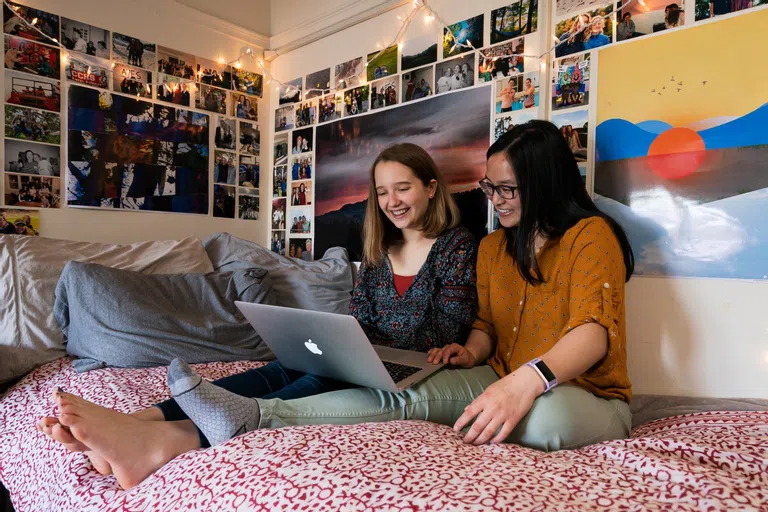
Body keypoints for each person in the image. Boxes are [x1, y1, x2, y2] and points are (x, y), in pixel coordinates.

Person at [41, 143, 480, 489]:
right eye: (382, 191)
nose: (391, 201)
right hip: (369, 353)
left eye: (402, 188)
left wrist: (365, 343)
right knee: (281, 368)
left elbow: (445, 323)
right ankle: (139, 420)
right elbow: (360, 312)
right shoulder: (378, 249)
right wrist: (347, 339)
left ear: (431, 188)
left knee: (318, 380)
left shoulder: (457, 245)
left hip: (415, 365)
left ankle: (155, 438)